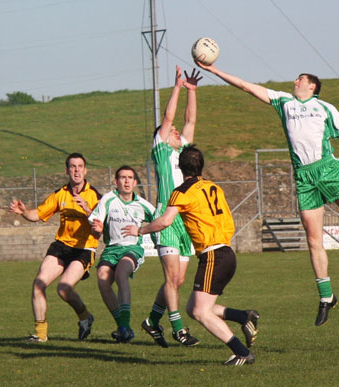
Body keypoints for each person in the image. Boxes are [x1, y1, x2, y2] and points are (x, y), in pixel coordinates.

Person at [196, 62, 339, 326]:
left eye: (300, 79)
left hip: (329, 171)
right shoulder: (284, 102)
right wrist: (215, 70)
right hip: (304, 177)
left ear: (312, 86)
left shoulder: (326, 108)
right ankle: (326, 297)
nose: (295, 81)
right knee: (313, 239)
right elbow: (246, 86)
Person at [123, 145, 259, 365]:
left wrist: (140, 229)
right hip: (226, 252)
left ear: (179, 167)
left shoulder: (181, 191)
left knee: (200, 312)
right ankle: (244, 317)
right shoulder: (214, 187)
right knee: (193, 308)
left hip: (214, 255)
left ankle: (242, 352)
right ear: (201, 166)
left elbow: (165, 221)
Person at [140, 66, 202, 348]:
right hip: (165, 214)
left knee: (177, 281)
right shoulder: (161, 149)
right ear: (161, 137)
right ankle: (178, 329)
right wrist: (177, 87)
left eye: (177, 132)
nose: (177, 131)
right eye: (172, 131)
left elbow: (190, 119)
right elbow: (169, 118)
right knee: (170, 277)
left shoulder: (182, 152)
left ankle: (152, 321)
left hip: (184, 219)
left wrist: (192, 91)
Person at [10, 153, 101, 342]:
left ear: (85, 170)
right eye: (72, 166)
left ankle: (85, 317)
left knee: (63, 289)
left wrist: (87, 209)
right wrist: (24, 212)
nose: (76, 170)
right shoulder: (61, 194)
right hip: (61, 246)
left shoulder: (94, 196)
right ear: (67, 170)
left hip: (84, 249)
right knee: (38, 284)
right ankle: (41, 334)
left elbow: (101, 228)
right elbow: (38, 214)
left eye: (80, 166)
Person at [88, 165, 155, 343]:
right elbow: (96, 223)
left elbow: (160, 222)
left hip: (132, 249)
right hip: (111, 249)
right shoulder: (108, 199)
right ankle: (123, 327)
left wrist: (140, 230)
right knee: (102, 278)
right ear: (116, 181)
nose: (126, 181)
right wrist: (98, 228)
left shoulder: (143, 205)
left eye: (130, 178)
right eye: (122, 178)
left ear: (134, 182)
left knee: (121, 272)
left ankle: (124, 325)